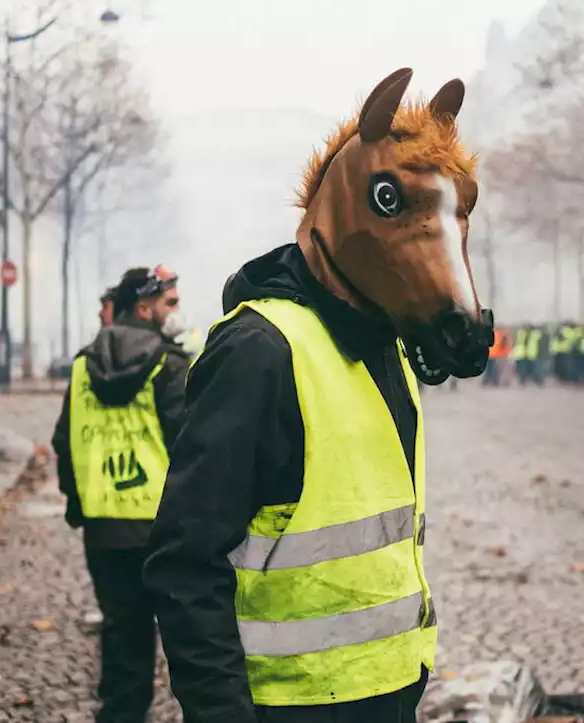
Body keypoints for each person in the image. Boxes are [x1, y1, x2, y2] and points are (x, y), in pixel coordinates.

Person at [144, 70, 494, 723]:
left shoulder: (385, 344)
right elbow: (185, 559)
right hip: (291, 703)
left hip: (389, 688)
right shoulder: (259, 351)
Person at [50, 265, 190, 722]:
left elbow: (64, 441)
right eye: (170, 302)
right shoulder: (169, 365)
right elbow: (191, 445)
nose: (176, 311)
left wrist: (81, 504)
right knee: (189, 639)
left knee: (123, 632)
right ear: (145, 308)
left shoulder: (83, 365)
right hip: (163, 527)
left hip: (105, 527)